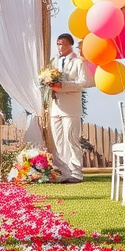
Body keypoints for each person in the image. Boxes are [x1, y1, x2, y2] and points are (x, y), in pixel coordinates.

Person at [49, 32, 93, 184]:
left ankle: (75, 172)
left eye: (63, 44)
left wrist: (63, 86)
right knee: (57, 141)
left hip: (71, 108)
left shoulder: (78, 62)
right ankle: (61, 171)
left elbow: (84, 82)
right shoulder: (54, 61)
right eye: (58, 44)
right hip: (55, 107)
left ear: (69, 45)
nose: (60, 47)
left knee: (71, 138)